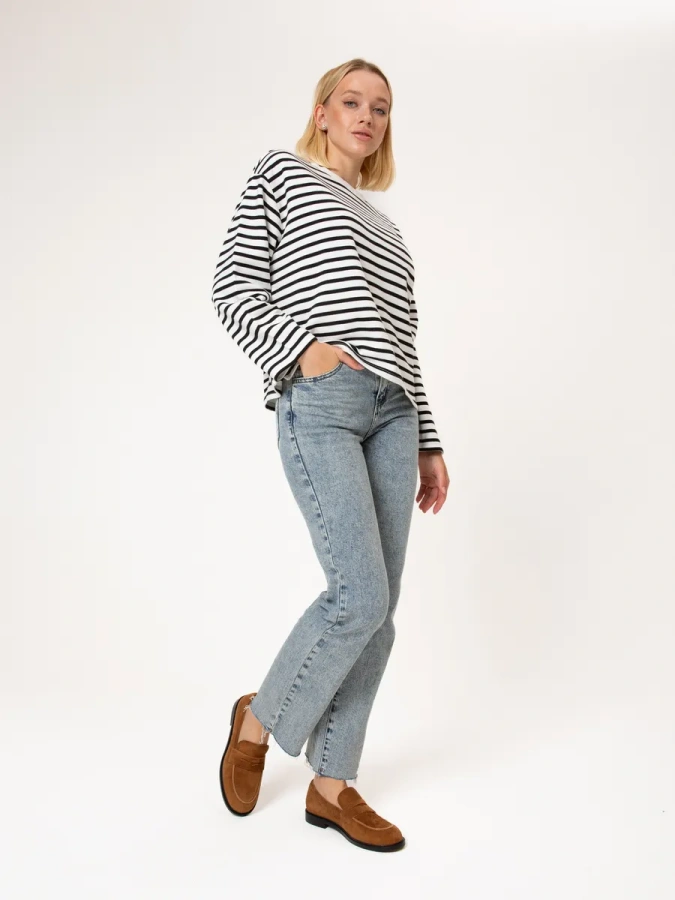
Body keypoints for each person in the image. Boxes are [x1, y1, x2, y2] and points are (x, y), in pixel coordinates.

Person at [213, 58, 450, 851]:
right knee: (357, 595)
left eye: (380, 107)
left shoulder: (386, 227)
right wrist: (303, 352)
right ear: (321, 112)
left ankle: (332, 784)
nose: (366, 117)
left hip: (393, 413)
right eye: (351, 101)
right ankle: (256, 719)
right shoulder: (281, 173)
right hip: (322, 401)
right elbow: (231, 286)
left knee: (378, 612)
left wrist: (429, 441)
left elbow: (403, 342)